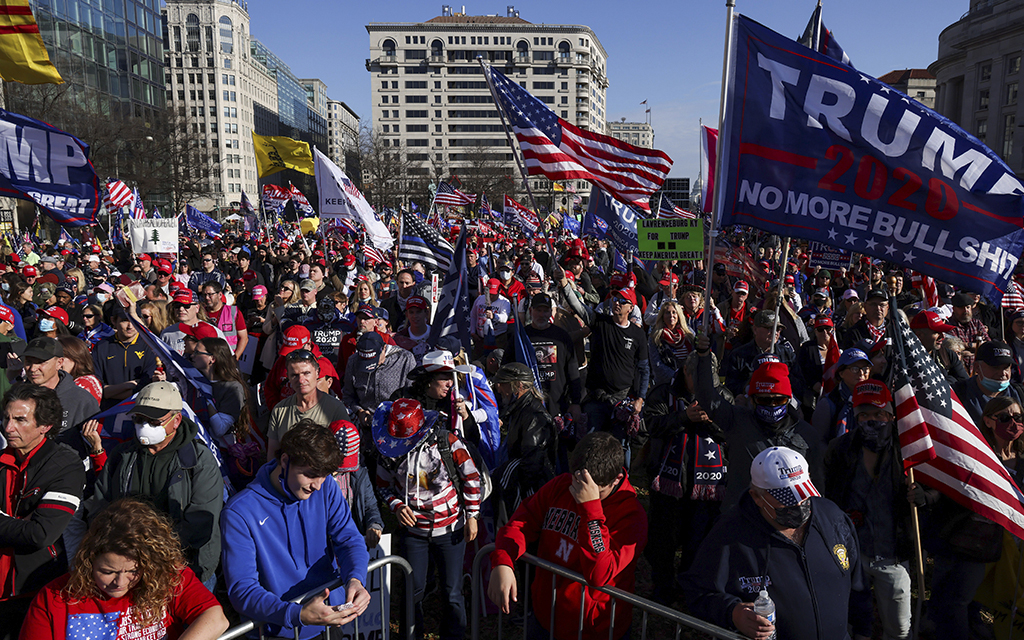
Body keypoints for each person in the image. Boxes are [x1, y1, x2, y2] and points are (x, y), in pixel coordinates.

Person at [682, 446, 861, 640]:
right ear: (757, 497)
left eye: (803, 492)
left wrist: (863, 629)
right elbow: (698, 592)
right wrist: (732, 613)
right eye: (787, 498)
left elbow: (856, 578)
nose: (799, 504)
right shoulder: (729, 534)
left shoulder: (831, 516)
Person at [488, 431, 647, 640]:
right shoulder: (561, 485)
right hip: (545, 617)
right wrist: (503, 561)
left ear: (616, 480)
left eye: (594, 491)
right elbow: (521, 522)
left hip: (591, 630)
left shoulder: (631, 516)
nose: (579, 491)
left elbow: (599, 574)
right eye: (577, 482)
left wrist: (590, 508)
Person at [220, 420, 371, 640]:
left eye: (323, 475)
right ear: (284, 461)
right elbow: (242, 589)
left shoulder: (326, 486)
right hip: (275, 631)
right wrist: (296, 614)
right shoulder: (239, 512)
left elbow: (350, 540)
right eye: (310, 475)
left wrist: (356, 579)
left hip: (328, 623)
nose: (317, 485)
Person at [79, 382, 224, 589]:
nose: (145, 426)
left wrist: (149, 551)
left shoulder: (199, 460)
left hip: (185, 567)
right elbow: (101, 505)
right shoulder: (122, 455)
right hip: (129, 567)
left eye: (154, 421)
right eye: (139, 419)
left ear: (176, 421)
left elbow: (200, 521)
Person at [20, 497, 228, 640]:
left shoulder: (165, 575)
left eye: (133, 571)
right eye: (108, 572)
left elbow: (215, 619)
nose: (120, 582)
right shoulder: (54, 597)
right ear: (89, 560)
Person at [375, 399, 480, 640]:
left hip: (451, 528)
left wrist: (472, 515)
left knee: (452, 591)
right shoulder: (387, 449)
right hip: (414, 534)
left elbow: (471, 479)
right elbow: (382, 486)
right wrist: (396, 505)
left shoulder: (447, 442)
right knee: (413, 590)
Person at [824, 381, 913, 640]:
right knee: (854, 628)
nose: (871, 420)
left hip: (893, 556)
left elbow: (935, 489)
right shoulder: (839, 449)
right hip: (852, 557)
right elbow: (828, 497)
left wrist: (923, 496)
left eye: (878, 414)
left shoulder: (908, 449)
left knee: (899, 631)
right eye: (864, 415)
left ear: (890, 415)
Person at [0, 383, 85, 638]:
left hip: (34, 590)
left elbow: (41, 533)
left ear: (45, 426)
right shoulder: (2, 459)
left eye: (19, 420)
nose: (8, 428)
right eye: (5, 418)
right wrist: (17, 523)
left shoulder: (65, 465)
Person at [643, 353, 728, 606]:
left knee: (698, 541)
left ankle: (689, 588)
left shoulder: (723, 395)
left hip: (707, 487)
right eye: (698, 379)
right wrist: (682, 418)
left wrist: (711, 421)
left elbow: (732, 430)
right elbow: (650, 424)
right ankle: (662, 589)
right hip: (669, 483)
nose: (704, 385)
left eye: (708, 380)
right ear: (686, 372)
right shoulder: (663, 392)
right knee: (663, 542)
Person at [490, 363, 556, 522]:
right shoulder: (521, 410)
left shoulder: (534, 416)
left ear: (518, 385)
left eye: (503, 384)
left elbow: (532, 464)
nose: (498, 389)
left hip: (528, 490)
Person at [22, 336, 100, 459]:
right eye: (28, 362)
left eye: (40, 362)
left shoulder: (81, 400)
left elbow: (94, 444)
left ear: (59, 363)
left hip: (67, 472)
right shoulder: (17, 397)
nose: (32, 368)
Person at [266, 348, 350, 460]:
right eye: (295, 375)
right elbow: (272, 458)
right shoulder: (279, 410)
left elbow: (345, 457)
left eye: (306, 373)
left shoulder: (336, 409)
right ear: (288, 377)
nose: (301, 380)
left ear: (317, 373)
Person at [200, 280, 248, 359]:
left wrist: (235, 358)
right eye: (204, 295)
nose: (206, 298)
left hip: (227, 359)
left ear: (220, 295)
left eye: (210, 294)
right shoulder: (200, 313)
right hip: (206, 360)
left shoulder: (233, 312)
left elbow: (244, 338)